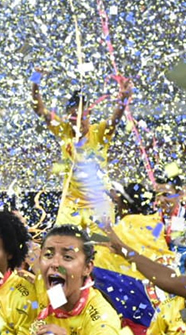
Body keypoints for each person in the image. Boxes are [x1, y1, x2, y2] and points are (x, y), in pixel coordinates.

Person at [31, 73, 133, 229]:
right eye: (73, 117)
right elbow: (39, 109)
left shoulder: (99, 132)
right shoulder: (64, 130)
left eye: (81, 116)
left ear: (88, 114)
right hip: (71, 205)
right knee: (61, 240)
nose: (77, 122)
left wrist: (124, 99)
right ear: (67, 118)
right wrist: (35, 82)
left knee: (101, 244)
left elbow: (115, 119)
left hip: (99, 204)